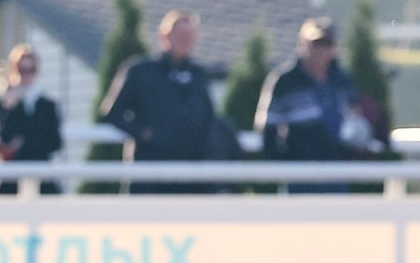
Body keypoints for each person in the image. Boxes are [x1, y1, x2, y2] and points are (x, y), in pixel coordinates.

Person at [99, 11, 230, 193]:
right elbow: (112, 113)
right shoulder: (140, 71)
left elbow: (209, 117)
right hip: (151, 170)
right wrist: (143, 134)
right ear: (164, 36)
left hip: (192, 173)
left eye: (190, 36)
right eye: (181, 36)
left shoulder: (199, 75)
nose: (185, 41)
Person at [257, 15, 383, 189]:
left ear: (334, 48)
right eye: (316, 43)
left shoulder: (343, 82)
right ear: (302, 43)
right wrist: (284, 163)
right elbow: (268, 128)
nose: (321, 50)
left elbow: (354, 120)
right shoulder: (285, 82)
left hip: (338, 173)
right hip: (300, 176)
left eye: (327, 44)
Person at [0, 44, 62, 192]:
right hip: (12, 175)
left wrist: (23, 140)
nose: (26, 75)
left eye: (31, 70)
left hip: (42, 171)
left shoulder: (47, 105)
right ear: (13, 70)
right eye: (21, 70)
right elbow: (4, 137)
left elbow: (55, 142)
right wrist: (11, 108)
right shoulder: (4, 102)